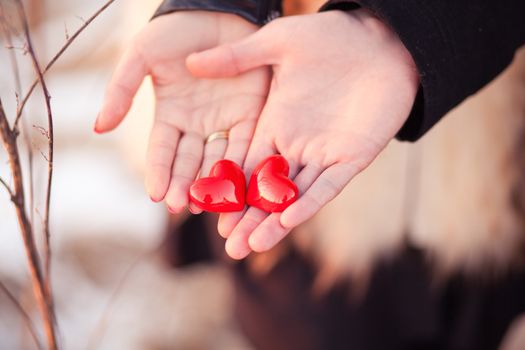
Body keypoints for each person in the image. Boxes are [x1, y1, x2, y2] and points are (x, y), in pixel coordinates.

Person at [96, 1, 525, 349]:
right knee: (299, 318)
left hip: (489, 144)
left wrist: (410, 26)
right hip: (275, 107)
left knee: (477, 317)